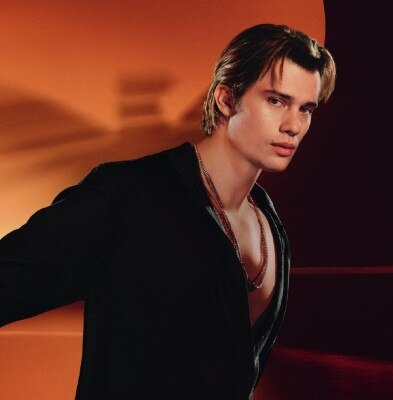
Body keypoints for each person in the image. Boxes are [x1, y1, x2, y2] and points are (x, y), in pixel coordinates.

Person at [0, 24, 336, 399]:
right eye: (276, 101)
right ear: (226, 99)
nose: (294, 126)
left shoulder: (270, 223)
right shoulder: (129, 196)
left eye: (306, 109)